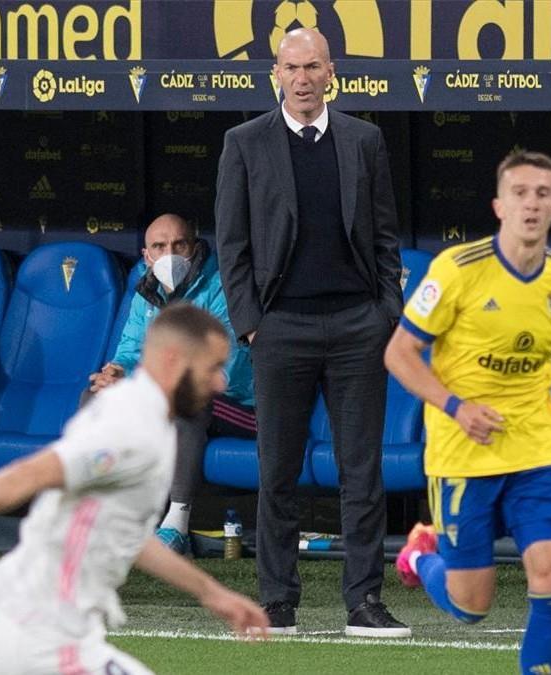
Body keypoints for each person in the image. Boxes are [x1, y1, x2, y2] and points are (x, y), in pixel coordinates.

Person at [0, 304, 269, 675]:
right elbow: (26, 477)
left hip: (26, 607)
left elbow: (123, 534)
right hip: (41, 625)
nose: (220, 383)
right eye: (212, 367)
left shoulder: (148, 421)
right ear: (174, 360)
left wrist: (212, 593)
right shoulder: (130, 425)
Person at [385, 151, 551, 674]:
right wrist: (455, 406)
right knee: (471, 607)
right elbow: (398, 353)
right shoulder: (456, 271)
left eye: (541, 194)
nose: (531, 204)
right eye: (520, 193)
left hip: (536, 450)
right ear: (499, 206)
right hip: (464, 453)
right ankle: (420, 554)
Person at [215, 27, 406, 637]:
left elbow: (384, 236)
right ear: (275, 74)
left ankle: (364, 602)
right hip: (280, 329)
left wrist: (385, 313)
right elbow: (232, 245)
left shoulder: (364, 140)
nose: (302, 78)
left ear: (331, 72)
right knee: (277, 472)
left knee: (362, 472)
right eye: (291, 67)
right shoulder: (242, 143)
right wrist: (251, 327)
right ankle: (277, 600)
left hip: (358, 326)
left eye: (313, 67)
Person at [81, 213, 256, 555]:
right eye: (159, 247)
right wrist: (116, 373)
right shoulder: (146, 292)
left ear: (195, 246)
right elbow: (130, 351)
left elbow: (227, 363)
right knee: (94, 398)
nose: (170, 254)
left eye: (179, 245)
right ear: (147, 255)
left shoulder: (222, 285)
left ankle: (176, 524)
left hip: (239, 406)